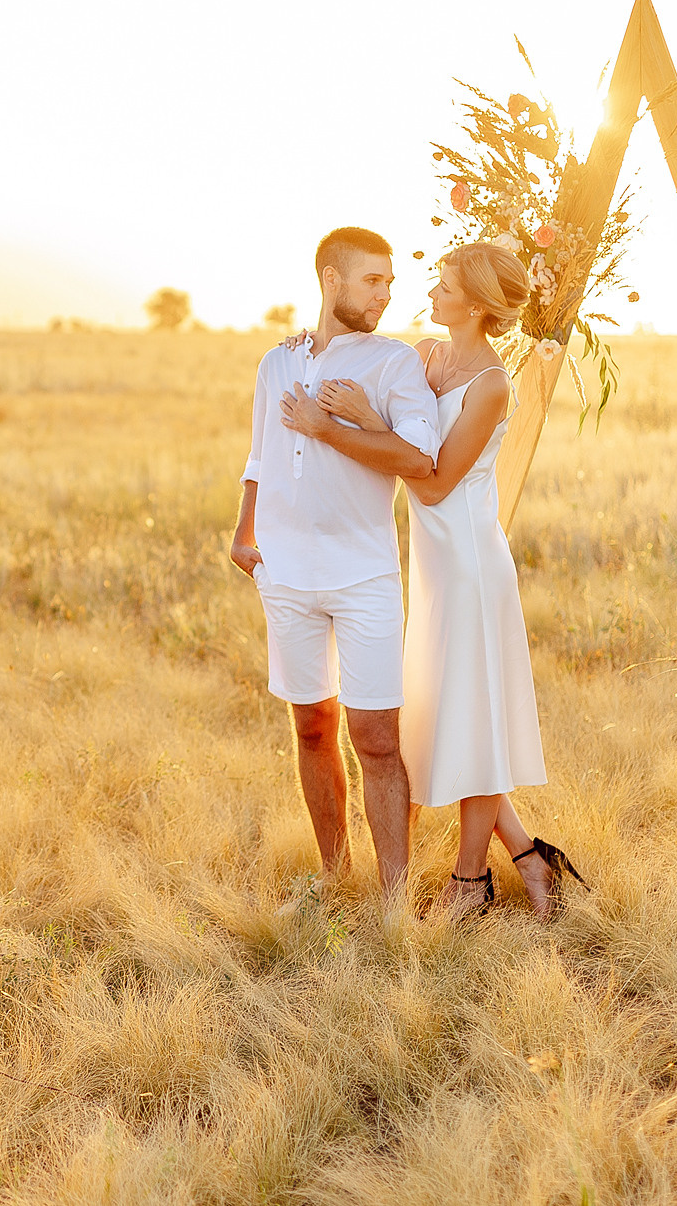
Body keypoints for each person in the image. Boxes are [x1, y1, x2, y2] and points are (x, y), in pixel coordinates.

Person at [310, 241, 588, 915]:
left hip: (469, 563)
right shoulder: (426, 356)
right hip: (434, 567)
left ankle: (470, 883)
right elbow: (371, 387)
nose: (431, 292)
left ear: (477, 303)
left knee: (474, 718)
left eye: (444, 284)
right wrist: (308, 346)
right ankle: (530, 856)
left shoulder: (491, 384)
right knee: (455, 715)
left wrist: (371, 424)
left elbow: (433, 484)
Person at [231, 227, 440, 896]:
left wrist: (329, 427)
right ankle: (334, 878)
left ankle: (394, 901)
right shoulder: (277, 362)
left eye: (389, 282)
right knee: (311, 726)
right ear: (331, 279)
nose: (385, 294)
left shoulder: (394, 363)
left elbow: (419, 459)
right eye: (372, 280)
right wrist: (243, 535)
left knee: (375, 735)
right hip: (286, 573)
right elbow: (260, 455)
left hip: (364, 574)